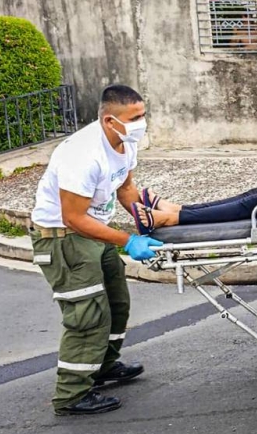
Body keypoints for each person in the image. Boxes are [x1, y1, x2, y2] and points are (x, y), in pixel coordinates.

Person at [30, 84, 162, 416]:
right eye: (135, 118)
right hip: (63, 238)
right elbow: (73, 218)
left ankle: (102, 366)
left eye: (143, 115)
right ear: (108, 120)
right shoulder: (82, 154)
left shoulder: (124, 143)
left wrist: (149, 220)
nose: (142, 123)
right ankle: (71, 394)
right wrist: (129, 241)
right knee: (87, 316)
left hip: (95, 233)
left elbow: (126, 188)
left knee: (117, 303)